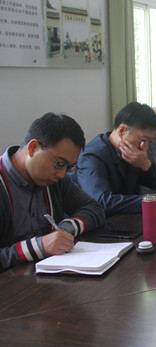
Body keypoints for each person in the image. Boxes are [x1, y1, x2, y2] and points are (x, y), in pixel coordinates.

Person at [0, 113, 105, 271]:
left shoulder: (54, 180)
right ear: (33, 148)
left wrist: (66, 229)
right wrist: (38, 246)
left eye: (69, 167)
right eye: (59, 164)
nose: (62, 174)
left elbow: (94, 208)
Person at [72, 102, 156, 217]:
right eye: (143, 140)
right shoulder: (92, 156)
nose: (145, 147)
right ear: (122, 131)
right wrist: (153, 201)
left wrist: (146, 165)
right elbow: (102, 202)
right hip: (102, 223)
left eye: (149, 142)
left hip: (127, 220)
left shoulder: (133, 154)